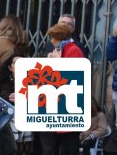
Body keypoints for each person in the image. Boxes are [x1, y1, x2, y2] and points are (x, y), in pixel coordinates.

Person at [41, 23, 86, 154]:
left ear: (59, 38)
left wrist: (56, 63)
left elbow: (71, 77)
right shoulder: (58, 50)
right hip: (56, 102)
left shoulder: (74, 50)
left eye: (52, 38)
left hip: (69, 103)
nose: (51, 41)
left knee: (68, 145)